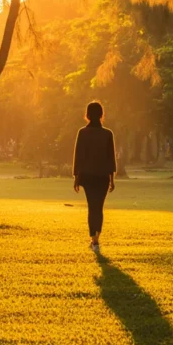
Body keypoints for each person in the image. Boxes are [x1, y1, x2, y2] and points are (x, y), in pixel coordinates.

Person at [72, 101, 116, 253]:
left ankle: (94, 239)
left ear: (88, 115)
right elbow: (111, 158)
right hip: (103, 176)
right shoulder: (107, 134)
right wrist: (112, 180)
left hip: (88, 176)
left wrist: (76, 178)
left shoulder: (83, 133)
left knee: (92, 207)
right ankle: (96, 236)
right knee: (99, 207)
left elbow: (78, 156)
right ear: (102, 115)